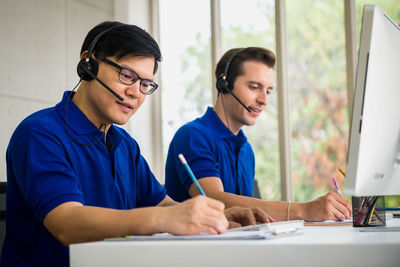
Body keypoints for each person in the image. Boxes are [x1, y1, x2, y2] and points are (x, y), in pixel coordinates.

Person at [1, 24, 270, 267]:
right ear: (88, 64)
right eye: (127, 76)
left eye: (145, 84)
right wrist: (164, 220)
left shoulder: (124, 144)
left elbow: (163, 204)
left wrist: (216, 215)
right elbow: (67, 223)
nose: (135, 93)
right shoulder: (40, 133)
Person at [165, 47, 352, 222]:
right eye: (254, 87)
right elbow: (214, 201)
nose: (263, 100)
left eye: (268, 91)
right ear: (225, 84)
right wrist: (302, 210)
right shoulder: (193, 136)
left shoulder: (246, 150)